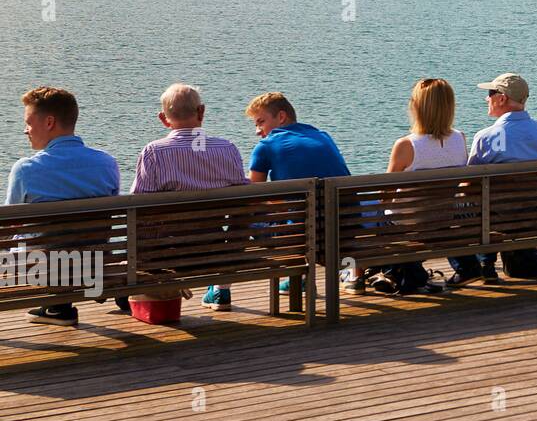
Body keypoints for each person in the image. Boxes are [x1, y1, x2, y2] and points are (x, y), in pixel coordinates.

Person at [5, 87, 119, 326]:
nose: (25, 130)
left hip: (38, 267)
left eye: (28, 122)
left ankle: (58, 304)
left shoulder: (25, 169)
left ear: (49, 122)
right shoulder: (107, 164)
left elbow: (8, 226)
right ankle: (58, 306)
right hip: (93, 263)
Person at [130, 84, 248, 312]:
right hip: (216, 250)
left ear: (163, 119)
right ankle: (220, 288)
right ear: (201, 112)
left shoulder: (154, 152)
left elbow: (140, 208)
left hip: (168, 254)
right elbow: (244, 205)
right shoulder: (227, 149)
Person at [446, 73, 537, 286]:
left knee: (464, 200)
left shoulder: (486, 137)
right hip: (534, 213)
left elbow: (468, 187)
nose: (487, 99)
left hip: (496, 218)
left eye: (490, 93)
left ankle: (483, 264)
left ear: (502, 98)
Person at [369, 78, 468, 295]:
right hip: (442, 220)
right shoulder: (460, 139)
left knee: (374, 211)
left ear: (417, 107)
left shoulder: (406, 145)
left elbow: (385, 196)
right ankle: (396, 273)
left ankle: (390, 273)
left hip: (408, 226)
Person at [245, 92, 349, 293]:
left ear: (281, 117)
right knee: (297, 209)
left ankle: (298, 278)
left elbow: (252, 198)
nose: (258, 131)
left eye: (261, 122)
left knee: (251, 215)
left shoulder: (266, 146)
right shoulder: (323, 136)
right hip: (342, 231)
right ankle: (348, 275)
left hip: (301, 236)